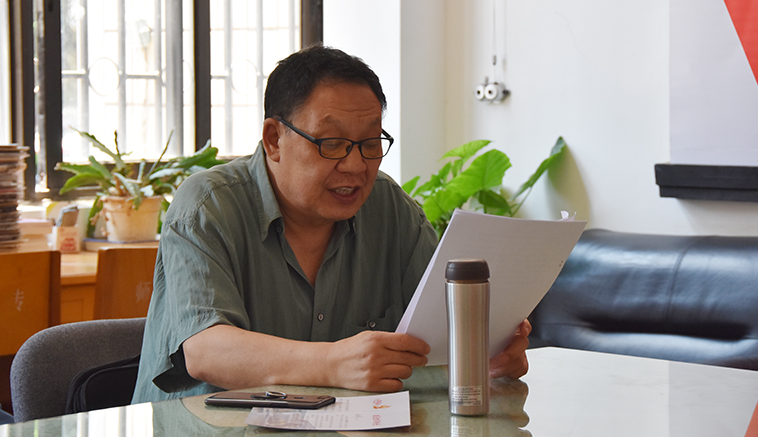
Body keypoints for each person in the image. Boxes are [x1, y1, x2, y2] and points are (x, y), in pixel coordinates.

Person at [132, 45, 530, 403]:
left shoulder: (388, 207)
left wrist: (485, 353)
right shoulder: (208, 205)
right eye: (332, 144)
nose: (355, 165)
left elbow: (440, 328)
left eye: (370, 143)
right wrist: (333, 363)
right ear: (274, 140)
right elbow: (205, 350)